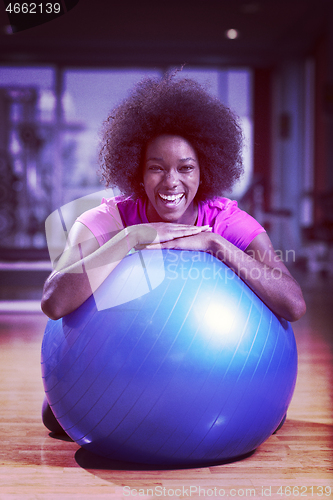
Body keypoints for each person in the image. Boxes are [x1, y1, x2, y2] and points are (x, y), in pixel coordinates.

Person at [41, 73, 306, 433]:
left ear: (205, 169)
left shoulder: (227, 222)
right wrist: (131, 238)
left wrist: (216, 244)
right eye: (156, 168)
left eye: (186, 167)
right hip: (115, 370)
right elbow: (54, 303)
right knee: (54, 418)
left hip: (210, 373)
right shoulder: (105, 219)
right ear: (136, 170)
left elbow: (293, 304)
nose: (171, 182)